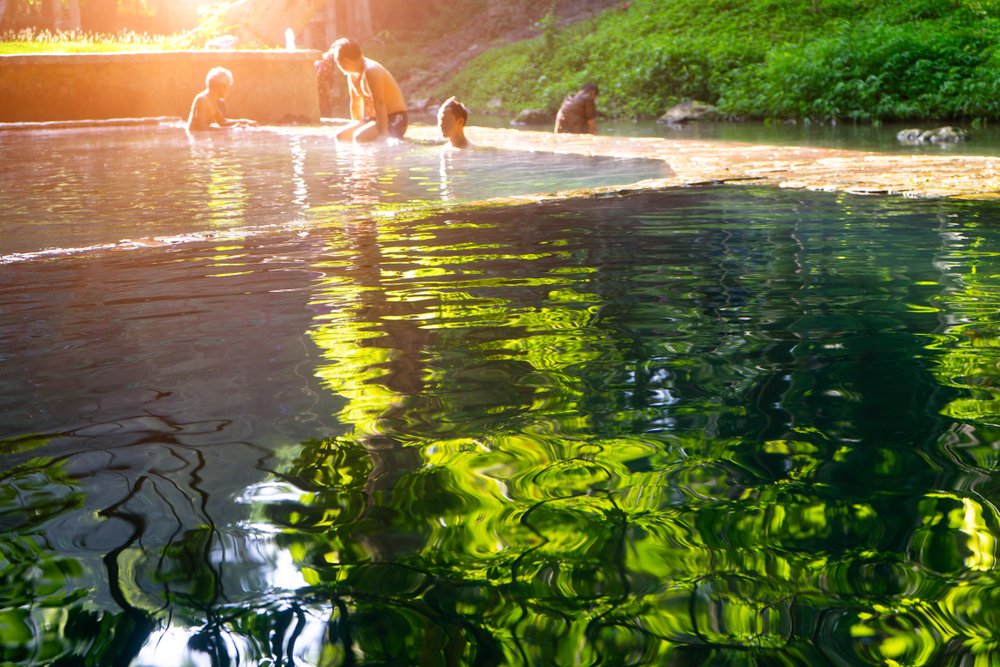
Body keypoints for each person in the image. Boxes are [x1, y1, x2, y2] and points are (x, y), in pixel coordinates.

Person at [328, 37, 408, 143]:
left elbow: (379, 102)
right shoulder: (352, 75)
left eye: (337, 62)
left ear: (345, 61)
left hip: (396, 118)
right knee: (341, 136)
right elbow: (356, 104)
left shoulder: (371, 71)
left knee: (359, 137)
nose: (337, 66)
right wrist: (357, 124)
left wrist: (383, 134)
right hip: (374, 119)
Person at [186, 67, 256, 132]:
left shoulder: (212, 100)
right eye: (227, 86)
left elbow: (222, 122)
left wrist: (244, 122)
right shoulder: (202, 100)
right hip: (194, 139)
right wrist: (230, 129)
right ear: (220, 87)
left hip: (200, 138)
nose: (228, 90)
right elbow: (202, 128)